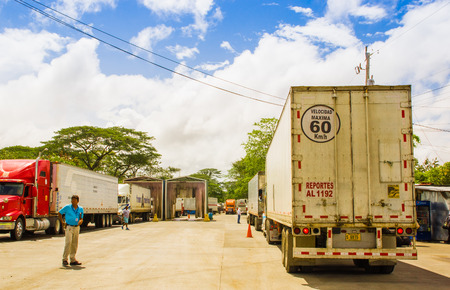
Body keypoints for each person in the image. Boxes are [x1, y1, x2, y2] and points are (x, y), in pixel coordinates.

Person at [58, 195, 84, 266]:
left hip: (76, 227)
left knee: (74, 243)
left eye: (74, 200)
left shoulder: (80, 209)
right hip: (69, 227)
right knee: (68, 242)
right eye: (72, 200)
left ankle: (72, 259)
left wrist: (80, 221)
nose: (73, 201)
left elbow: (81, 218)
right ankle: (64, 259)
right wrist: (62, 222)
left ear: (77, 201)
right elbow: (59, 213)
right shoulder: (67, 207)